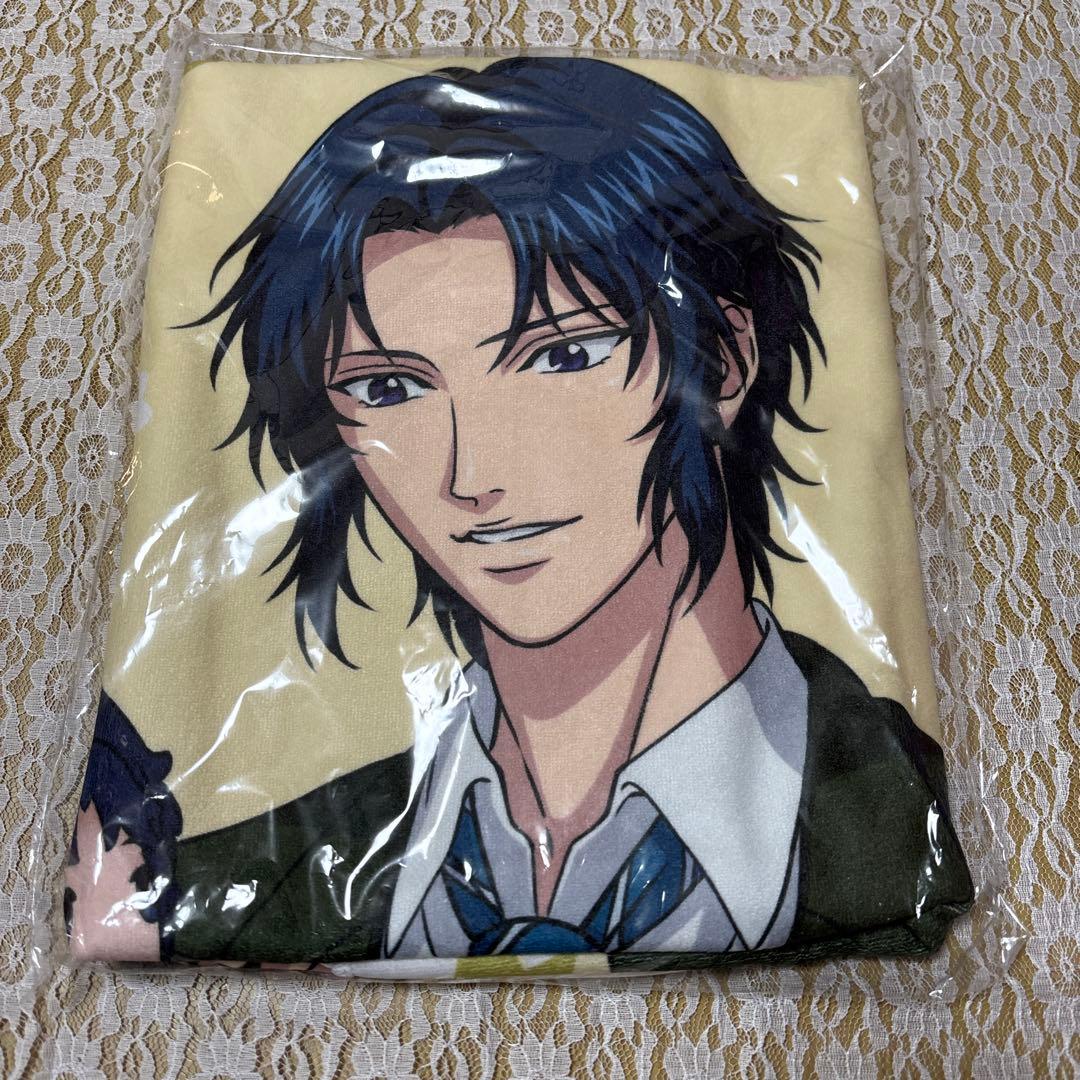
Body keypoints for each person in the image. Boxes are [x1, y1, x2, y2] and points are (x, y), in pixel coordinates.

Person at [71, 57, 972, 967]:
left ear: (723, 360)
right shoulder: (214, 883)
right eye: (389, 388)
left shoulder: (898, 816)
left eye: (561, 356)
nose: (473, 474)